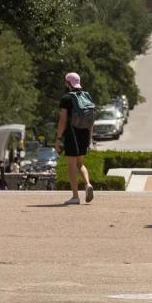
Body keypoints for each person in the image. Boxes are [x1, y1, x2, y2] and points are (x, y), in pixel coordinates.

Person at [56, 72, 96, 205]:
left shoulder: (66, 99)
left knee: (71, 165)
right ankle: (88, 184)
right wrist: (90, 137)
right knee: (80, 164)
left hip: (72, 133)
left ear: (68, 83)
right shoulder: (87, 96)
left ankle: (75, 196)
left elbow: (62, 119)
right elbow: (91, 119)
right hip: (84, 133)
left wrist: (58, 137)